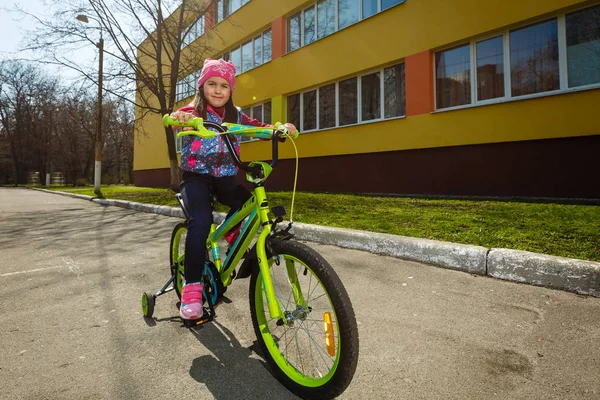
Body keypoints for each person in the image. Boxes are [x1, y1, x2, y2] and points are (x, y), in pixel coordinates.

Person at [170, 58, 297, 320]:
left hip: (225, 176)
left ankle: (231, 234)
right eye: (212, 84)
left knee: (248, 204)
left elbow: (258, 128)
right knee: (201, 222)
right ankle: (192, 289)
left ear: (231, 90)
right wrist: (179, 118)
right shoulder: (194, 111)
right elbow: (178, 118)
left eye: (224, 86)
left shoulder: (236, 115)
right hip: (196, 177)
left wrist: (279, 130)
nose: (218, 91)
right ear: (202, 87)